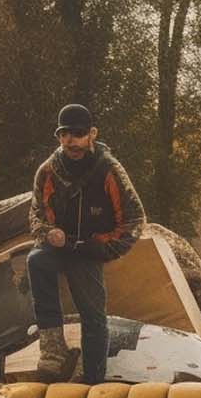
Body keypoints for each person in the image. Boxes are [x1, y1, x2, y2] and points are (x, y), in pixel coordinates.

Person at [26, 103, 147, 382]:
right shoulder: (47, 171)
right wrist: (47, 233)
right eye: (65, 134)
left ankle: (93, 379)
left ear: (92, 134)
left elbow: (134, 220)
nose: (71, 140)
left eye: (78, 133)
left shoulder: (110, 170)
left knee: (93, 316)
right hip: (58, 246)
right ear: (58, 137)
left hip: (91, 250)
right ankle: (53, 350)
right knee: (36, 260)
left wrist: (104, 248)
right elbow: (35, 215)